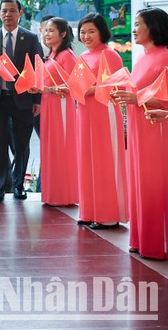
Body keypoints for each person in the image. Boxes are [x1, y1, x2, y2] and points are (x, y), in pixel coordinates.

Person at [111, 8, 168, 259]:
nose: (133, 29)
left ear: (153, 27)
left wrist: (135, 97)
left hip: (158, 130)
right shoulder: (143, 57)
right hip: (138, 129)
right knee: (139, 182)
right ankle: (142, 239)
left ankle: (160, 242)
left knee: (155, 184)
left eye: (138, 24)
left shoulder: (165, 57)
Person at [0, 0, 42, 201]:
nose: (8, 15)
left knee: (22, 144)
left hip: (23, 99)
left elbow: (37, 70)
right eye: (4, 11)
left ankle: (19, 185)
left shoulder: (30, 38)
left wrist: (37, 100)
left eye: (12, 11)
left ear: (20, 13)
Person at [75, 13, 127, 229]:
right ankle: (89, 211)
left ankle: (107, 214)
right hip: (85, 113)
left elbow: (118, 85)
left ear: (102, 32)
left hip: (104, 113)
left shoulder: (110, 55)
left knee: (105, 161)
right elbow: (75, 85)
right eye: (83, 32)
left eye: (91, 31)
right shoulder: (83, 57)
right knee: (87, 162)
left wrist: (90, 89)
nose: (86, 36)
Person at [35, 17, 78, 207]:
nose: (47, 34)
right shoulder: (52, 55)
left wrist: (47, 90)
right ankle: (52, 194)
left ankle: (65, 195)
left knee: (62, 148)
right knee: (51, 149)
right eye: (45, 30)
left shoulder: (67, 56)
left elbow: (74, 86)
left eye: (51, 31)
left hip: (61, 106)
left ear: (63, 34)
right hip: (48, 105)